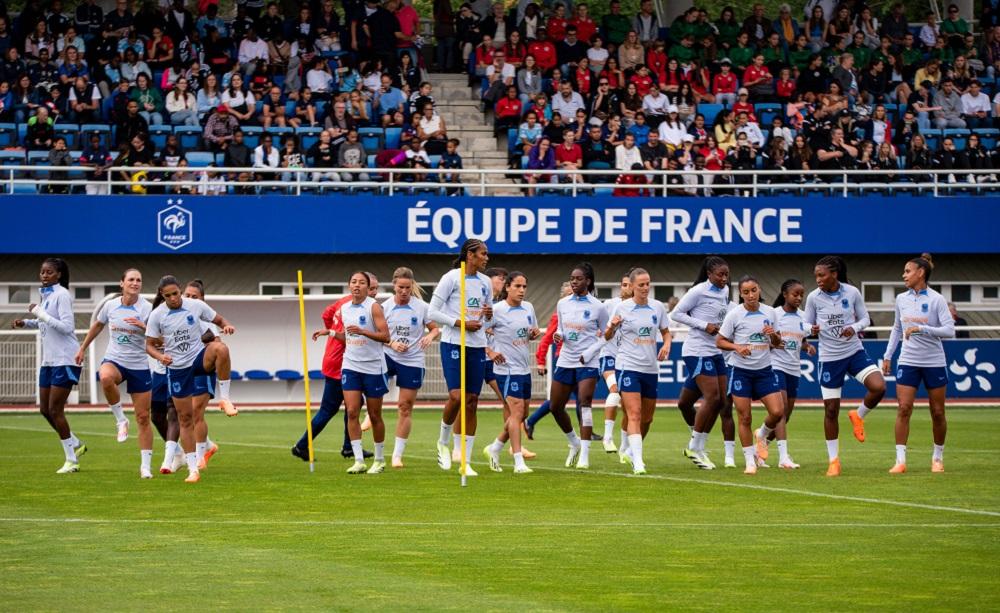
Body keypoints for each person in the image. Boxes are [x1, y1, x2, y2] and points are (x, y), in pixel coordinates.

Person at [145, 276, 237, 483]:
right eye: (168, 296)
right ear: (162, 295)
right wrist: (160, 356)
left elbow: (219, 321)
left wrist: (228, 325)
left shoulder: (196, 306)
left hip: (198, 358)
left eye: (176, 293)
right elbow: (149, 344)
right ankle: (193, 469)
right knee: (184, 418)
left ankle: (226, 398)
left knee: (220, 349)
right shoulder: (157, 315)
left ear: (180, 290)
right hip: (177, 367)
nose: (174, 298)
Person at [804, 256, 886, 477]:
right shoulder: (813, 297)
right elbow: (804, 323)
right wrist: (810, 328)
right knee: (831, 411)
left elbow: (866, 319)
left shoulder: (852, 292)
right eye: (816, 276)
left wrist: (853, 327)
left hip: (854, 352)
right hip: (830, 358)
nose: (818, 279)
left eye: (821, 275)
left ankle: (858, 415)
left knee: (879, 387)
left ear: (834, 274)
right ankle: (834, 461)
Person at [74, 269, 154, 476]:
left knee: (144, 417)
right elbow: (97, 326)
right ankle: (120, 420)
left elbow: (159, 339)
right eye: (131, 280)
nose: (135, 283)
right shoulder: (110, 306)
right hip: (115, 360)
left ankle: (145, 466)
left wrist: (144, 327)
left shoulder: (147, 308)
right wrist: (82, 348)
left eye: (139, 280)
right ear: (122, 283)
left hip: (139, 366)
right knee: (106, 376)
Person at [12, 258, 86, 474]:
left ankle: (72, 460)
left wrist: (39, 313)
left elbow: (66, 327)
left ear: (59, 275)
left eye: (49, 272)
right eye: (42, 272)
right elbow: (46, 322)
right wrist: (27, 322)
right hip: (49, 361)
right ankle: (76, 443)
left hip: (65, 359)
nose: (44, 275)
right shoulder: (46, 296)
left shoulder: (62, 295)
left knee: (55, 409)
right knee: (44, 410)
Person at [882, 255, 954, 473]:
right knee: (904, 408)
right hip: (908, 360)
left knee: (938, 411)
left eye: (907, 271)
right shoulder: (901, 299)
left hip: (934, 361)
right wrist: (888, 355)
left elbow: (949, 330)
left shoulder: (937, 299)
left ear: (920, 273)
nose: (904, 275)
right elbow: (897, 329)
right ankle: (900, 461)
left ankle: (937, 458)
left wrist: (923, 329)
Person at [428, 239, 493, 476]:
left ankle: (464, 458)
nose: (487, 258)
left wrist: (488, 314)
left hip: (477, 345)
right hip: (454, 342)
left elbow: (486, 319)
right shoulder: (451, 278)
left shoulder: (486, 282)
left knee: (472, 400)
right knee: (456, 396)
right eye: (483, 254)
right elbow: (432, 312)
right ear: (470, 254)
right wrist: (461, 324)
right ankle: (442, 443)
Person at [292, 289, 373, 462]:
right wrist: (334, 333)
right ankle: (301, 445)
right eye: (371, 288)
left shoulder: (343, 301)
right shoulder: (354, 308)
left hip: (335, 359)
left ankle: (349, 447)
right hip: (340, 363)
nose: (373, 292)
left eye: (375, 288)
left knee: (354, 405)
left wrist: (331, 330)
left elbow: (326, 314)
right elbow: (351, 337)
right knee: (330, 409)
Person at [716, 275, 784, 475]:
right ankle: (750, 461)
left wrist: (773, 335)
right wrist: (736, 347)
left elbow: (778, 343)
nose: (751, 295)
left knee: (778, 412)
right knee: (744, 417)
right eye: (746, 292)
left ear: (759, 289)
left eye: (753, 290)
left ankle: (761, 434)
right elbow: (719, 341)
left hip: (764, 371)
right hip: (741, 372)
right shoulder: (735, 315)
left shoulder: (770, 312)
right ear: (741, 294)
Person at [605, 268, 670, 475]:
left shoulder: (657, 307)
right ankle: (638, 461)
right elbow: (607, 336)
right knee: (634, 413)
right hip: (627, 366)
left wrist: (666, 345)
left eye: (647, 284)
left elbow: (666, 332)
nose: (645, 288)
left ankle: (630, 451)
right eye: (641, 285)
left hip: (650, 368)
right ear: (631, 286)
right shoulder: (622, 308)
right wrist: (612, 327)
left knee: (647, 419)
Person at [673, 257, 736, 469]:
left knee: (717, 402)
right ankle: (694, 446)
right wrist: (703, 325)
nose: (724, 278)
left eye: (726, 275)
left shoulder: (725, 291)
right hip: (697, 351)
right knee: (713, 397)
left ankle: (699, 446)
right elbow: (676, 314)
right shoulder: (698, 291)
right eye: (720, 274)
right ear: (709, 274)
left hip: (715, 351)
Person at [548, 263, 608, 470]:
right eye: (572, 278)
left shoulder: (598, 307)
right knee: (555, 406)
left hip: (588, 362)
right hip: (566, 360)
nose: (574, 282)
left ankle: (584, 454)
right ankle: (573, 441)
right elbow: (563, 330)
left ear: (588, 281)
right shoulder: (562, 304)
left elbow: (608, 336)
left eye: (578, 278)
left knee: (585, 402)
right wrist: (559, 335)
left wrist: (590, 352)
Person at [482, 271, 541, 474]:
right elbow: (478, 333)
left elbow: (531, 331)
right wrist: (490, 351)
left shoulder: (528, 308)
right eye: (517, 286)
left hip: (524, 368)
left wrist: (533, 333)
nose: (522, 290)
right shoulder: (496, 310)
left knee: (523, 413)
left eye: (524, 286)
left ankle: (495, 448)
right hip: (506, 369)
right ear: (507, 287)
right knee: (516, 413)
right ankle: (518, 462)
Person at [334, 272, 391, 475]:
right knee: (351, 412)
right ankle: (358, 460)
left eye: (361, 283)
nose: (357, 285)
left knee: (375, 415)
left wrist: (364, 331)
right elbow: (348, 337)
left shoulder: (373, 306)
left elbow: (385, 336)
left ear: (368, 287)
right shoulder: (344, 308)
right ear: (349, 286)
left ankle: (379, 459)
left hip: (374, 367)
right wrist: (331, 333)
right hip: (351, 365)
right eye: (353, 282)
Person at [382, 267, 439, 468]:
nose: (404, 291)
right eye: (400, 288)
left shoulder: (422, 307)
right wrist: (391, 344)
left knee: (404, 407)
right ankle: (369, 417)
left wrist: (429, 336)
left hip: (412, 360)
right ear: (393, 286)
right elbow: (379, 335)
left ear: (412, 286)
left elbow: (435, 329)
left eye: (407, 287)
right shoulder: (384, 307)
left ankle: (397, 455)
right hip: (388, 356)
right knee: (371, 393)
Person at [769, 279, 815, 469]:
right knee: (780, 410)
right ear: (785, 294)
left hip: (793, 368)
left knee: (785, 415)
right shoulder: (774, 314)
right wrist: (773, 343)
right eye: (795, 294)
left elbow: (799, 341)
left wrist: (807, 346)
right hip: (776, 365)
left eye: (801, 295)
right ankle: (783, 457)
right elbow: (766, 340)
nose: (799, 298)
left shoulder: (804, 317)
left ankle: (762, 439)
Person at [599, 273, 631, 457]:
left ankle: (624, 447)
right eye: (623, 284)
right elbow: (598, 327)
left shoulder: (639, 308)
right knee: (615, 389)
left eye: (629, 285)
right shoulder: (609, 305)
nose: (626, 288)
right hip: (609, 355)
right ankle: (607, 437)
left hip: (628, 360)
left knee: (629, 406)